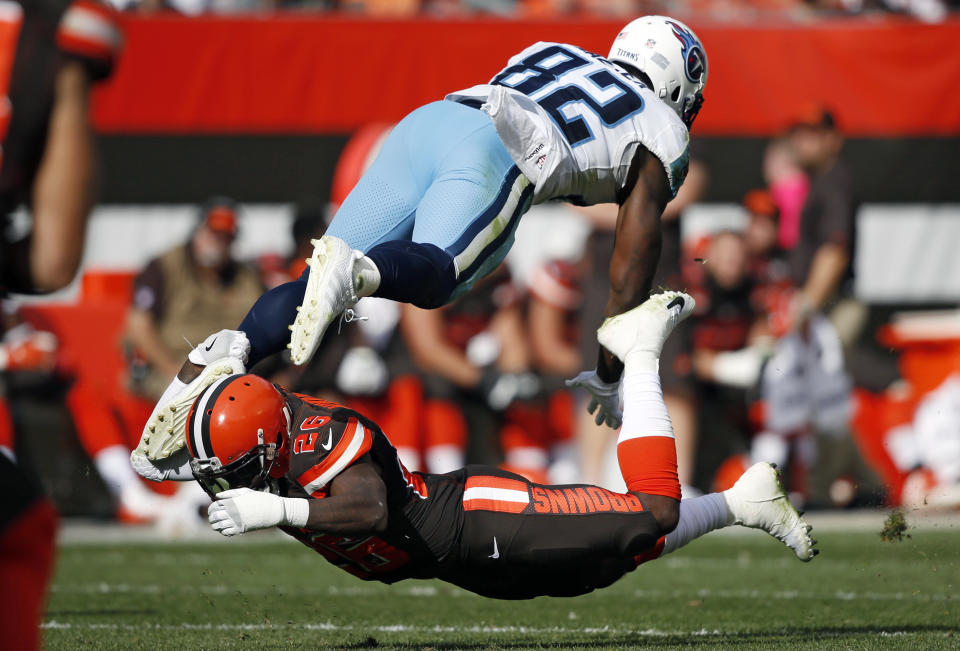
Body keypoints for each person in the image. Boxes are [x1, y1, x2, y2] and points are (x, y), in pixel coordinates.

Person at [132, 15, 709, 476]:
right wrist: (610, 370)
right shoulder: (663, 127)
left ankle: (223, 354)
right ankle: (357, 274)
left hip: (430, 121)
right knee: (438, 275)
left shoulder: (560, 50)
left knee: (314, 289)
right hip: (502, 149)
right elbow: (632, 262)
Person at [179, 293, 814, 599]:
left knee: (655, 513)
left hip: (478, 518)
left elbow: (370, 509)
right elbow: (176, 440)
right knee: (610, 559)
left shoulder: (320, 436)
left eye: (242, 467)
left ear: (270, 438)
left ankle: (642, 349)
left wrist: (281, 511)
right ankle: (742, 502)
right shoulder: (267, 432)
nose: (239, 482)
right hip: (457, 559)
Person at [0, 1, 121, 647]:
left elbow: (45, 264)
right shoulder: (35, 42)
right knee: (15, 531)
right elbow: (53, 258)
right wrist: (72, 77)